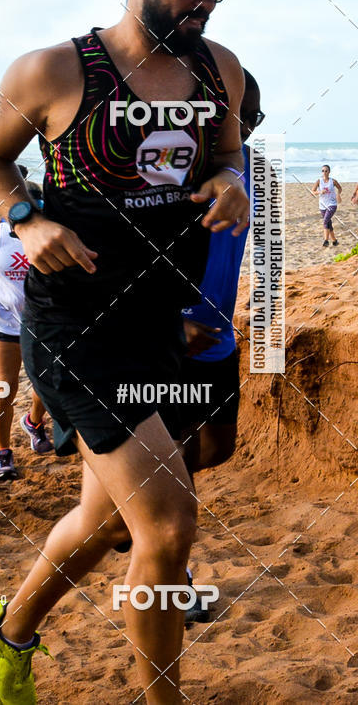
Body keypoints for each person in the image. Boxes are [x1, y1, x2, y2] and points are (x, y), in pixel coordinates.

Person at [0, 0, 253, 704]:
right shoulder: (54, 71)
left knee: (103, 521)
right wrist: (28, 218)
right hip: (76, 327)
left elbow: (227, 155)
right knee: (165, 523)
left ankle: (9, 628)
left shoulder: (218, 70)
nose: (203, 3)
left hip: (157, 320)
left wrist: (230, 186)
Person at [179, 70, 262, 621]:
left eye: (254, 119)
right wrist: (166, 322)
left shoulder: (250, 167)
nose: (247, 128)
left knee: (218, 448)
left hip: (218, 334)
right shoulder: (175, 168)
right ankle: (173, 574)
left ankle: (125, 516)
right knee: (176, 462)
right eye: (238, 117)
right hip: (170, 335)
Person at [0, 179, 53, 481]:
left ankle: (34, 423)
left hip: (42, 323)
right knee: (4, 386)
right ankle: (2, 452)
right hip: (2, 323)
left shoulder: (50, 236)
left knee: (46, 384)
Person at [311, 165, 341, 247]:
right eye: (323, 171)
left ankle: (326, 240)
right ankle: (334, 241)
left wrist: (338, 195)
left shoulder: (333, 181)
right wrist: (320, 192)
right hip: (322, 205)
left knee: (325, 221)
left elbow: (340, 188)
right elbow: (313, 191)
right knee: (328, 223)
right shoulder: (319, 181)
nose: (324, 172)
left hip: (332, 204)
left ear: (329, 172)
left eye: (326, 171)